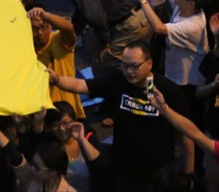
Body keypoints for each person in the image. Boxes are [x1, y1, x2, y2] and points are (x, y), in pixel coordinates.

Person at [49, 41, 195, 189]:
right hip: (124, 168)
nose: (129, 71)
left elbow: (186, 134)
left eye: (134, 66)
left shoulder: (169, 91)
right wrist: (57, 79)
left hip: (157, 171)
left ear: (149, 63)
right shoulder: (117, 80)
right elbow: (80, 85)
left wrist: (188, 175)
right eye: (124, 65)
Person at [131, 0, 211, 98]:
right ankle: (150, 103)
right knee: (157, 91)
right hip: (172, 69)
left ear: (191, 3)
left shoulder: (193, 25)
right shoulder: (184, 5)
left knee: (177, 106)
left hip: (186, 81)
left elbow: (158, 28)